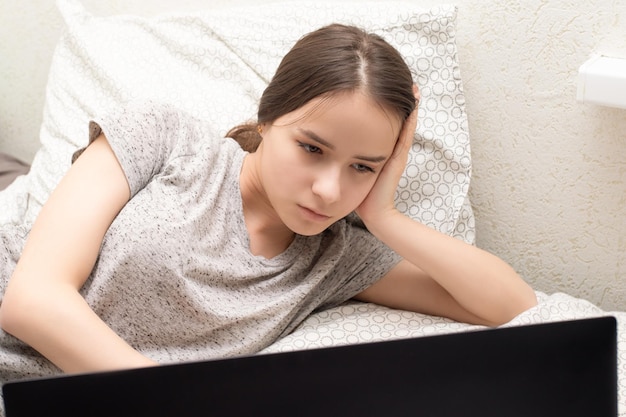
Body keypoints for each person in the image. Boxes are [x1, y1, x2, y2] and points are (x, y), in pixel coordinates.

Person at [0, 24, 537, 380]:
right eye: (311, 148)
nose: (330, 190)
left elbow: (511, 305)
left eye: (362, 167)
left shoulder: (334, 258)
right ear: (268, 117)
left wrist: (384, 215)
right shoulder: (165, 139)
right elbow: (32, 299)